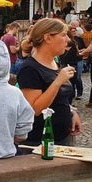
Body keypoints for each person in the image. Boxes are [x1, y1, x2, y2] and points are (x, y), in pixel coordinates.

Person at [19, 18, 80, 147]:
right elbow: (34, 109)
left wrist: (71, 113)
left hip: (62, 138)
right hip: (40, 142)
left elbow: (59, 100)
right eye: (63, 35)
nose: (68, 39)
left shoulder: (56, 64)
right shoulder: (29, 69)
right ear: (48, 38)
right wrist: (58, 82)